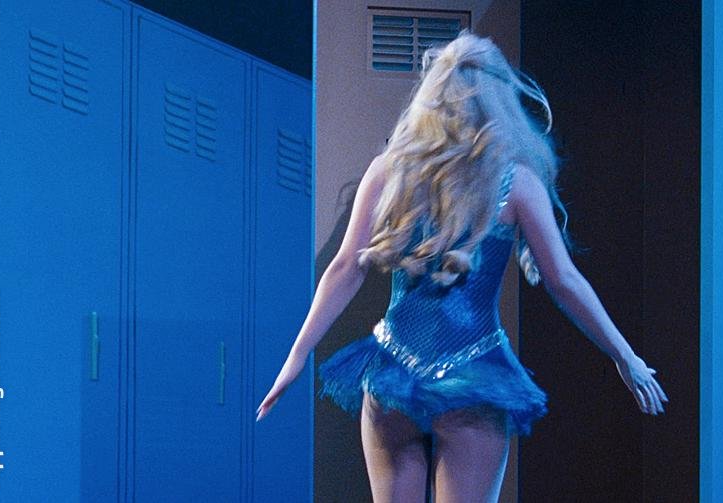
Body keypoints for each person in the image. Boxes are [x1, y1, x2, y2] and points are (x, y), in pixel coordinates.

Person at [254, 31, 668, 502]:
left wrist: (297, 356)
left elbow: (346, 266)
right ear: (498, 99)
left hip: (394, 374)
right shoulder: (515, 183)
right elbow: (563, 280)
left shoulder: (390, 171)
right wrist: (625, 356)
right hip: (475, 377)